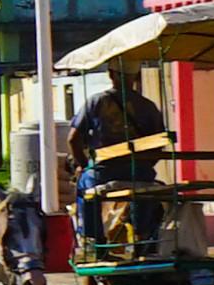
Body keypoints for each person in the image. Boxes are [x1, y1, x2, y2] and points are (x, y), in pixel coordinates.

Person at [69, 68, 169, 256]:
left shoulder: (96, 102)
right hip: (140, 170)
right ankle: (142, 235)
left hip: (103, 172)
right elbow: (160, 142)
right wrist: (145, 164)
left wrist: (83, 165)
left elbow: (73, 139)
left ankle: (93, 238)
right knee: (145, 188)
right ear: (136, 76)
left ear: (111, 75)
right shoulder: (148, 106)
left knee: (83, 186)